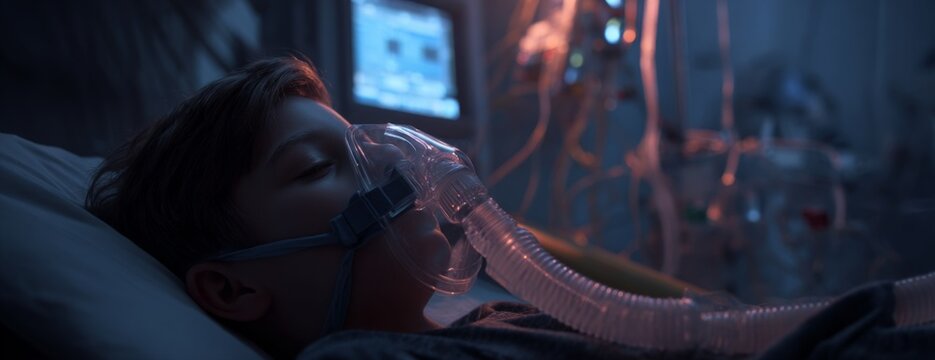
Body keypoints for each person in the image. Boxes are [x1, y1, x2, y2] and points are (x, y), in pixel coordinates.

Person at [85, 56, 931, 360]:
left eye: (361, 138)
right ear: (231, 290)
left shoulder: (491, 317)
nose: (391, 162)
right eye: (318, 166)